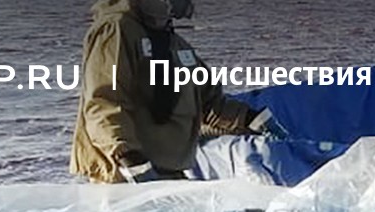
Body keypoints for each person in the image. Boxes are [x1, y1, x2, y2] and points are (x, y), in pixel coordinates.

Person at [71, 0, 279, 183]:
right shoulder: (117, 29)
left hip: (167, 173)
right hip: (122, 178)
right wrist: (130, 159)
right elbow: (104, 103)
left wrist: (253, 119)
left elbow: (209, 103)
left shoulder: (175, 45)